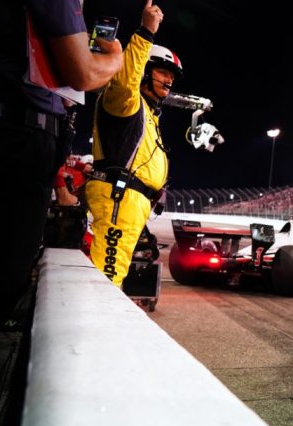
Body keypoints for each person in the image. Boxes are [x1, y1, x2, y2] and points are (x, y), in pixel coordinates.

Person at [0, 0, 123, 347]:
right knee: (3, 278)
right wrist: (115, 58)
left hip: (14, 130)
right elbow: (84, 73)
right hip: (18, 135)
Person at [86, 1, 178, 287]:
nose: (169, 81)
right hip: (120, 198)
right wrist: (146, 33)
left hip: (130, 202)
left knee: (114, 274)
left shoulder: (148, 112)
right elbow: (126, 81)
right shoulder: (126, 101)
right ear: (145, 71)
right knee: (106, 278)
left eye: (172, 76)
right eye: (163, 72)